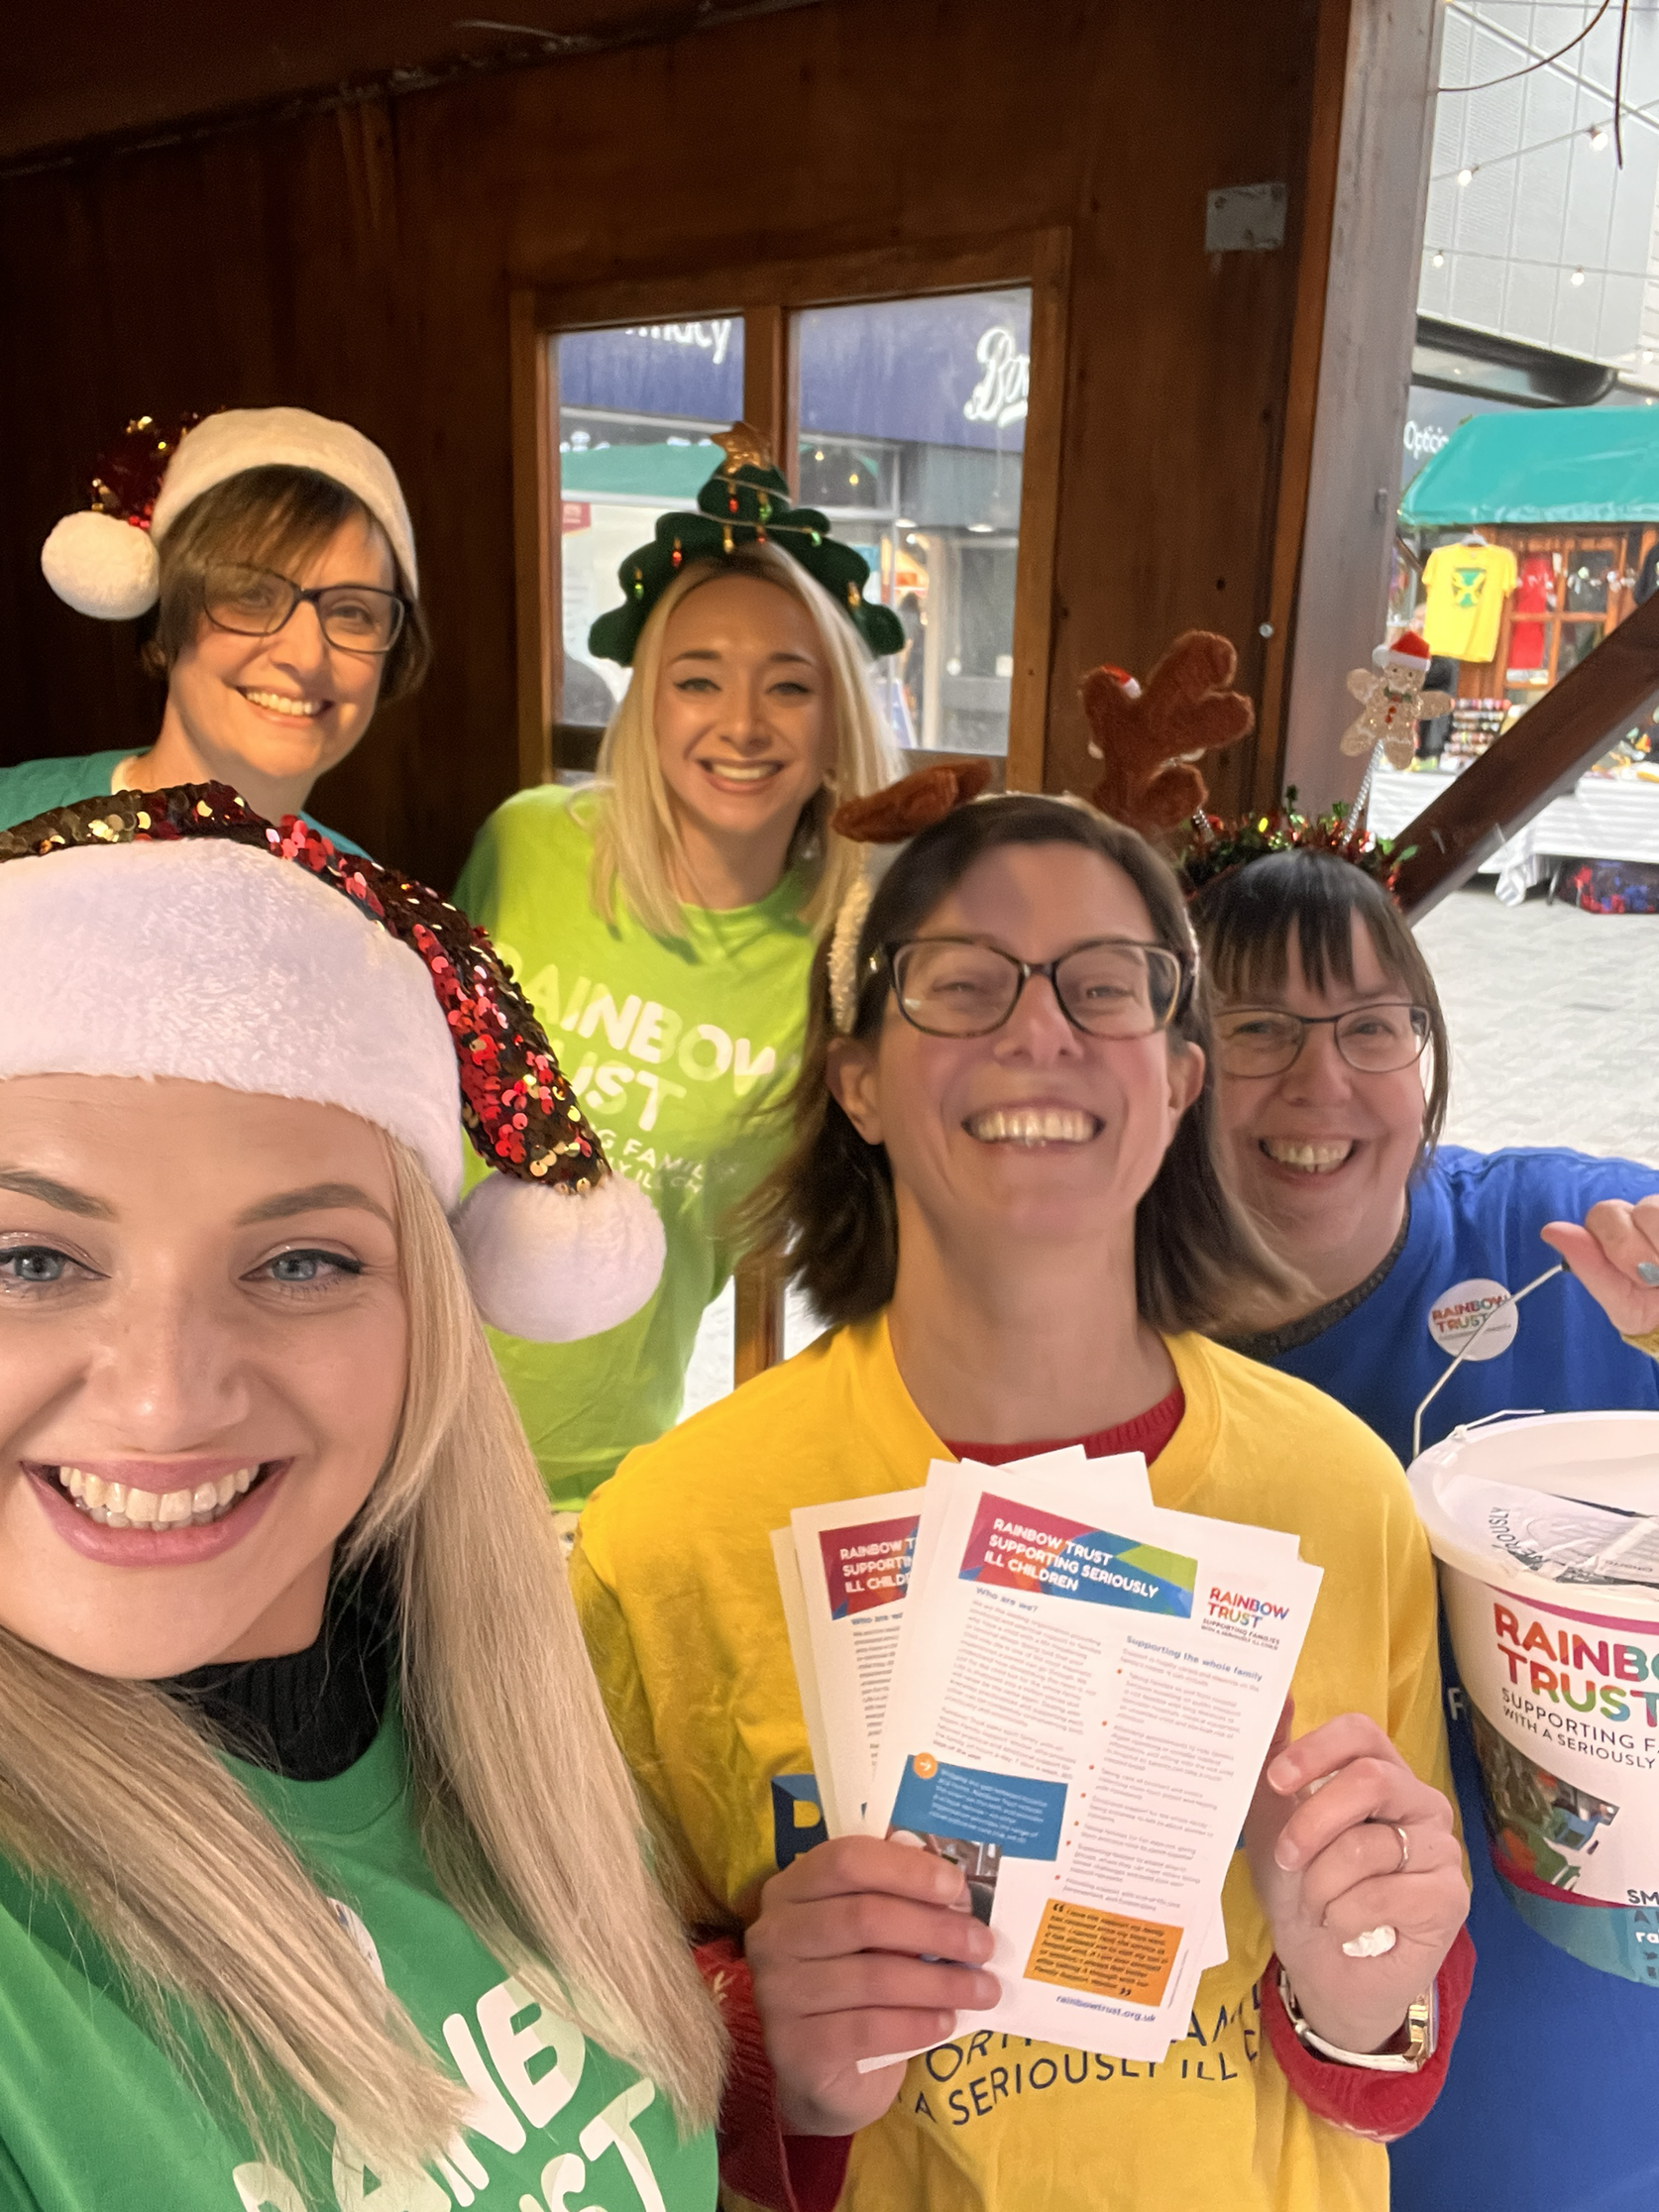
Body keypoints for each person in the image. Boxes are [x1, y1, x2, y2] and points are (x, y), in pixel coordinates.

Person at [573, 783, 1474, 2212]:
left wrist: (1361, 1954)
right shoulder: (664, 1539)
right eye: (962, 983)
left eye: (1103, 987)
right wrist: (764, 2053)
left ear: (1177, 1080)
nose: (1038, 1028)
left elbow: (1383, 2046)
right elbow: (587, 2057)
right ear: (856, 1075)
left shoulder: (1340, 1494)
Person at [0, 782, 739, 2208]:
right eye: (30, 1259)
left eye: (300, 1264)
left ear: (432, 1321)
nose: (163, 1396)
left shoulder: (507, 1731)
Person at [1192, 842, 1659, 2212]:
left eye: (1370, 1028)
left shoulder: (1567, 1252)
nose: (1318, 1081)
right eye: (1256, 1027)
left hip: (1589, 2106)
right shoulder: (1108, 1344)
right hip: (1276, 2111)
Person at [455, 425, 901, 1512]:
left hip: (596, 1486)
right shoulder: (528, 846)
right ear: (649, 705)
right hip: (395, 1417)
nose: (741, 724)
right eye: (698, 680)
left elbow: (879, 1243)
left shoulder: (848, 957)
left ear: (837, 713)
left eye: (789, 687)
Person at [5, 406, 432, 849]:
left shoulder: (371, 911)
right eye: (252, 596)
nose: (306, 656)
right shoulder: (11, 819)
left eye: (352, 612)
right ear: (166, 618)